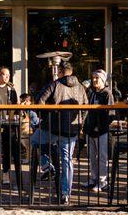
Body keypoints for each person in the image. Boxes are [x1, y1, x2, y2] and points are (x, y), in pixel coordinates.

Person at [33, 61, 88, 205]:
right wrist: (80, 123)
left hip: (52, 127)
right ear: (72, 71)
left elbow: (39, 101)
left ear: (62, 72)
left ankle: (47, 165)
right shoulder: (81, 87)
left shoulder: (55, 84)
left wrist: (46, 116)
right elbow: (87, 107)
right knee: (67, 160)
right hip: (71, 130)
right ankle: (65, 194)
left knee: (34, 140)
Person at [83, 69, 114, 192]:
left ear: (103, 79)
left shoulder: (107, 94)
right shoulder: (92, 93)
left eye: (97, 78)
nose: (94, 80)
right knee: (92, 157)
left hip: (102, 131)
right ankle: (93, 178)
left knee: (102, 157)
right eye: (93, 77)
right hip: (90, 129)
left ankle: (103, 182)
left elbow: (111, 114)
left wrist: (100, 126)